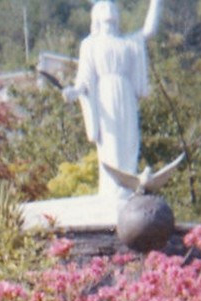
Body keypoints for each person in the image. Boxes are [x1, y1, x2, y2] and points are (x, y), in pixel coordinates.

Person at [64, 0, 164, 202]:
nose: (109, 8)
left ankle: (128, 191)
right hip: (105, 97)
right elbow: (84, 78)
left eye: (112, 6)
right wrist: (74, 91)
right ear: (96, 15)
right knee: (112, 145)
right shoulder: (90, 44)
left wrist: (156, 3)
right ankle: (113, 192)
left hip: (126, 95)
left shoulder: (127, 42)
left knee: (129, 143)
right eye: (104, 6)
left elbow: (149, 31)